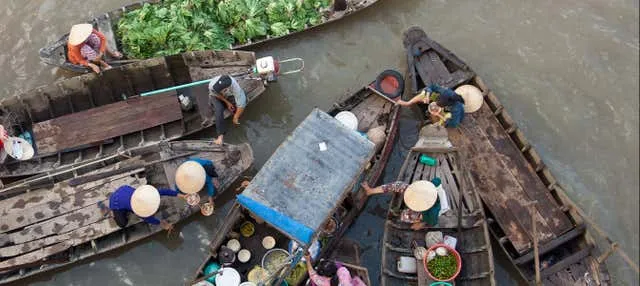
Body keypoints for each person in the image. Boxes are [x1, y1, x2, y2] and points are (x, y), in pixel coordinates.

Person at [361, 178, 441, 230]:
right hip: (416, 192)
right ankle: (371, 191)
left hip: (423, 214)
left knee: (405, 215)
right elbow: (437, 180)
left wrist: (421, 224)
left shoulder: (432, 211)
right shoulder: (430, 187)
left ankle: (401, 214)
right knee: (398, 185)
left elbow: (433, 222)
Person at [100, 185, 185, 232]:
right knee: (122, 224)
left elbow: (164, 191)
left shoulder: (148, 194)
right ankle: (111, 212)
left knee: (129, 207)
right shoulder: (140, 210)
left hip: (123, 190)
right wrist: (163, 224)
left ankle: (126, 207)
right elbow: (148, 219)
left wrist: (182, 195)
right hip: (115, 203)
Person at [397, 83, 466, 128]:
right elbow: (432, 86)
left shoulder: (456, 108)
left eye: (438, 105)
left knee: (445, 119)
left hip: (449, 116)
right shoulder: (445, 92)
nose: (435, 104)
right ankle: (408, 103)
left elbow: (453, 124)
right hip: (443, 105)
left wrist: (438, 115)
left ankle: (435, 123)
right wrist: (427, 96)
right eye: (437, 102)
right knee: (423, 94)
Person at [208, 75, 247, 145]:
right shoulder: (212, 85)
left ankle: (235, 116)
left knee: (241, 102)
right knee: (219, 110)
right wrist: (227, 102)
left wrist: (236, 117)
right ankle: (220, 137)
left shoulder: (235, 87)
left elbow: (241, 103)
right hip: (215, 96)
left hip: (227, 94)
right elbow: (215, 93)